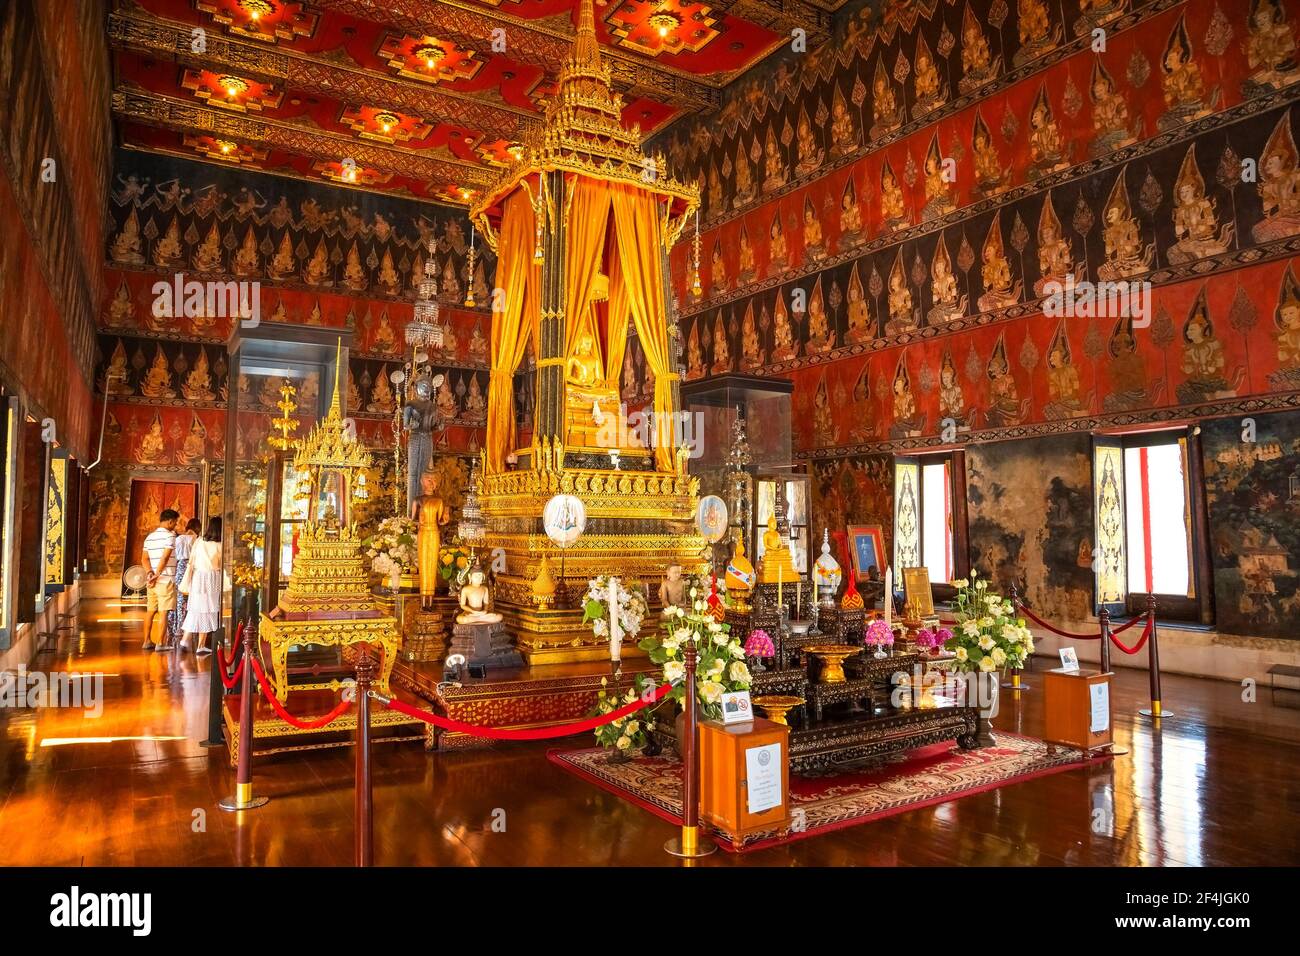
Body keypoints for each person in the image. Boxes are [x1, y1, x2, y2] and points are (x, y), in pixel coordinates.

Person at [179, 517, 223, 656]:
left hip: (197, 577)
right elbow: (221, 564)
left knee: (195, 608)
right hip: (211, 578)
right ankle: (201, 645)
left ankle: (185, 640)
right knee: (208, 609)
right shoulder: (219, 545)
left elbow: (191, 560)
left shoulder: (199, 541)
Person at [141, 509, 180, 650]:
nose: (175, 525)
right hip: (165, 579)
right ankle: (161, 643)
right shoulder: (170, 537)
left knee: (150, 611)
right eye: (175, 522)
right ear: (170, 521)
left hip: (152, 580)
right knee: (164, 612)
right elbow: (165, 557)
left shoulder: (149, 537)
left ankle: (146, 641)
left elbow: (144, 559)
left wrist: (150, 573)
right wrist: (157, 574)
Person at [170, 518, 201, 650]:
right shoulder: (196, 539)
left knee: (179, 599)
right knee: (192, 600)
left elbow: (174, 555)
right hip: (191, 568)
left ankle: (178, 627)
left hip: (180, 566)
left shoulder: (178, 539)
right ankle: (190, 627)